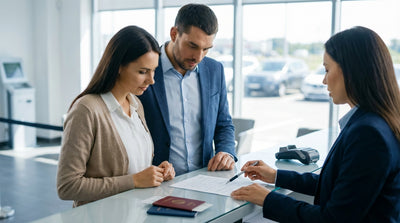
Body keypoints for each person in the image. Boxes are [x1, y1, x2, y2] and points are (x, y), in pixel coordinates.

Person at [231, 26, 400, 222]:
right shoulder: (374, 121)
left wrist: (268, 198)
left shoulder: (369, 133)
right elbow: (339, 185)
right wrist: (275, 175)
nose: (323, 80)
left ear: (352, 71)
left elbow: (333, 219)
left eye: (328, 69)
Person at [57, 26, 175, 207]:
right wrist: (134, 181)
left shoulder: (136, 104)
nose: (151, 80)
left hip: (136, 215)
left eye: (154, 71)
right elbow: (67, 186)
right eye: (143, 72)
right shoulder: (86, 110)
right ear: (119, 66)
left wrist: (157, 172)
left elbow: (134, 167)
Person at [138, 4, 237, 176]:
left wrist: (226, 152)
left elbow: (223, 124)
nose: (198, 57)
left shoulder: (215, 70)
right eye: (192, 46)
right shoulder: (144, 69)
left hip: (204, 179)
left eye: (206, 49)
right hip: (156, 183)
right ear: (174, 34)